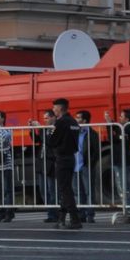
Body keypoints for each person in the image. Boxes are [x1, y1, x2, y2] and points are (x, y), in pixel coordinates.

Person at [48, 98, 82, 229]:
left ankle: (75, 219)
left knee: (65, 190)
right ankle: (61, 218)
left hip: (62, 158)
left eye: (55, 108)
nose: (53, 110)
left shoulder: (61, 122)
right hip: (71, 158)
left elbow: (52, 141)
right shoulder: (73, 121)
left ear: (60, 109)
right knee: (66, 188)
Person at [106, 108, 130, 210]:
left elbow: (117, 138)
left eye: (121, 116)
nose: (119, 118)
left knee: (125, 186)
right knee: (121, 186)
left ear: (127, 119)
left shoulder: (129, 128)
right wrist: (109, 124)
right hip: (118, 160)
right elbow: (112, 138)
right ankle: (127, 208)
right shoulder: (122, 128)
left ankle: (129, 209)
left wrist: (111, 124)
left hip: (123, 160)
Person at [74, 110, 98, 223]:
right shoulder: (73, 133)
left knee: (89, 192)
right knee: (77, 192)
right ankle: (80, 214)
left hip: (85, 166)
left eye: (78, 118)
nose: (76, 120)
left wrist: (90, 163)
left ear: (84, 121)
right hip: (74, 166)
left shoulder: (92, 134)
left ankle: (90, 215)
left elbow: (96, 152)